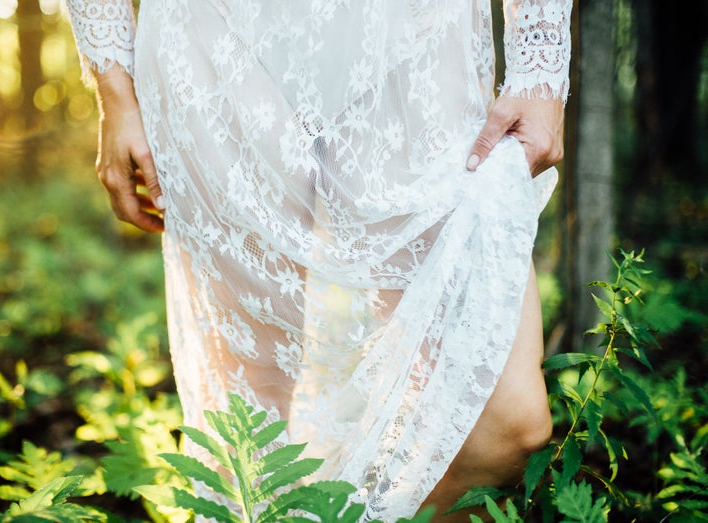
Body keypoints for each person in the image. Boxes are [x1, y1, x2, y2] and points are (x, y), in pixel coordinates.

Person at [65, 1, 571, 520]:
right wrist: (115, 89)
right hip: (212, 34)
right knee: (251, 448)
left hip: (411, 32)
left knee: (504, 425)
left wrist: (540, 62)